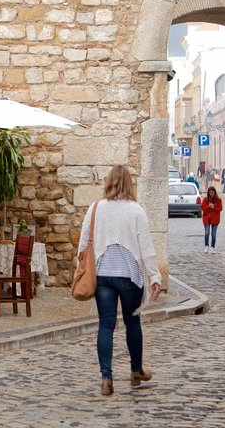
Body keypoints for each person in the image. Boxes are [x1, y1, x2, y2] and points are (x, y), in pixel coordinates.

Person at [77, 165, 162, 396]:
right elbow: (146, 248)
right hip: (130, 275)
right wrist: (155, 275)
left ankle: (106, 378)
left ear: (109, 182)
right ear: (129, 184)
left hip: (103, 275)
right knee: (133, 322)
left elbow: (83, 244)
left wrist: (81, 268)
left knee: (106, 325)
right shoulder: (136, 211)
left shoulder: (96, 208)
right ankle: (136, 370)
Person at [201, 186, 223, 253]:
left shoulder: (218, 200)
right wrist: (208, 206)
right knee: (207, 232)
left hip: (215, 218)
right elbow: (203, 208)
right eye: (210, 192)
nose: (211, 194)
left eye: (212, 192)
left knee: (213, 234)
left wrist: (213, 207)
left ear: (215, 192)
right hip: (207, 218)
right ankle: (206, 246)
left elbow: (220, 209)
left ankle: (212, 247)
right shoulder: (205, 199)